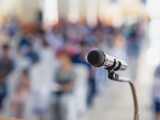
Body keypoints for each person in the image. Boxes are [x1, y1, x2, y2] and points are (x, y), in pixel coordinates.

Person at [49, 49, 76, 120]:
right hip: (58, 91)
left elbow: (72, 85)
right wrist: (57, 87)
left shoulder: (72, 70)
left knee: (62, 103)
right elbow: (55, 81)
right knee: (52, 102)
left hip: (67, 92)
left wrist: (63, 88)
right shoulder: (58, 69)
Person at [0, 44, 14, 109]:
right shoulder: (1, 60)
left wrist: (6, 77)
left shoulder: (10, 61)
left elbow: (12, 72)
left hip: (7, 81)